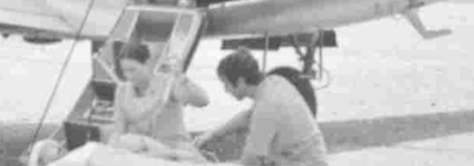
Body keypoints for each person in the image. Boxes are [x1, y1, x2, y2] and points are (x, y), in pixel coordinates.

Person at [193, 49, 327, 166]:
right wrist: (212, 134)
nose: (226, 90)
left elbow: (250, 161)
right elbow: (248, 117)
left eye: (226, 84)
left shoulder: (266, 108)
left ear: (240, 82)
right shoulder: (274, 82)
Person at [105, 42, 211, 162]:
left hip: (175, 148)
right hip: (145, 152)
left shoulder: (167, 83)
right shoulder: (122, 90)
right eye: (125, 71)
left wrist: (185, 82)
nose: (129, 76)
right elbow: (119, 130)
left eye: (133, 70)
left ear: (147, 64)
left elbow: (203, 101)